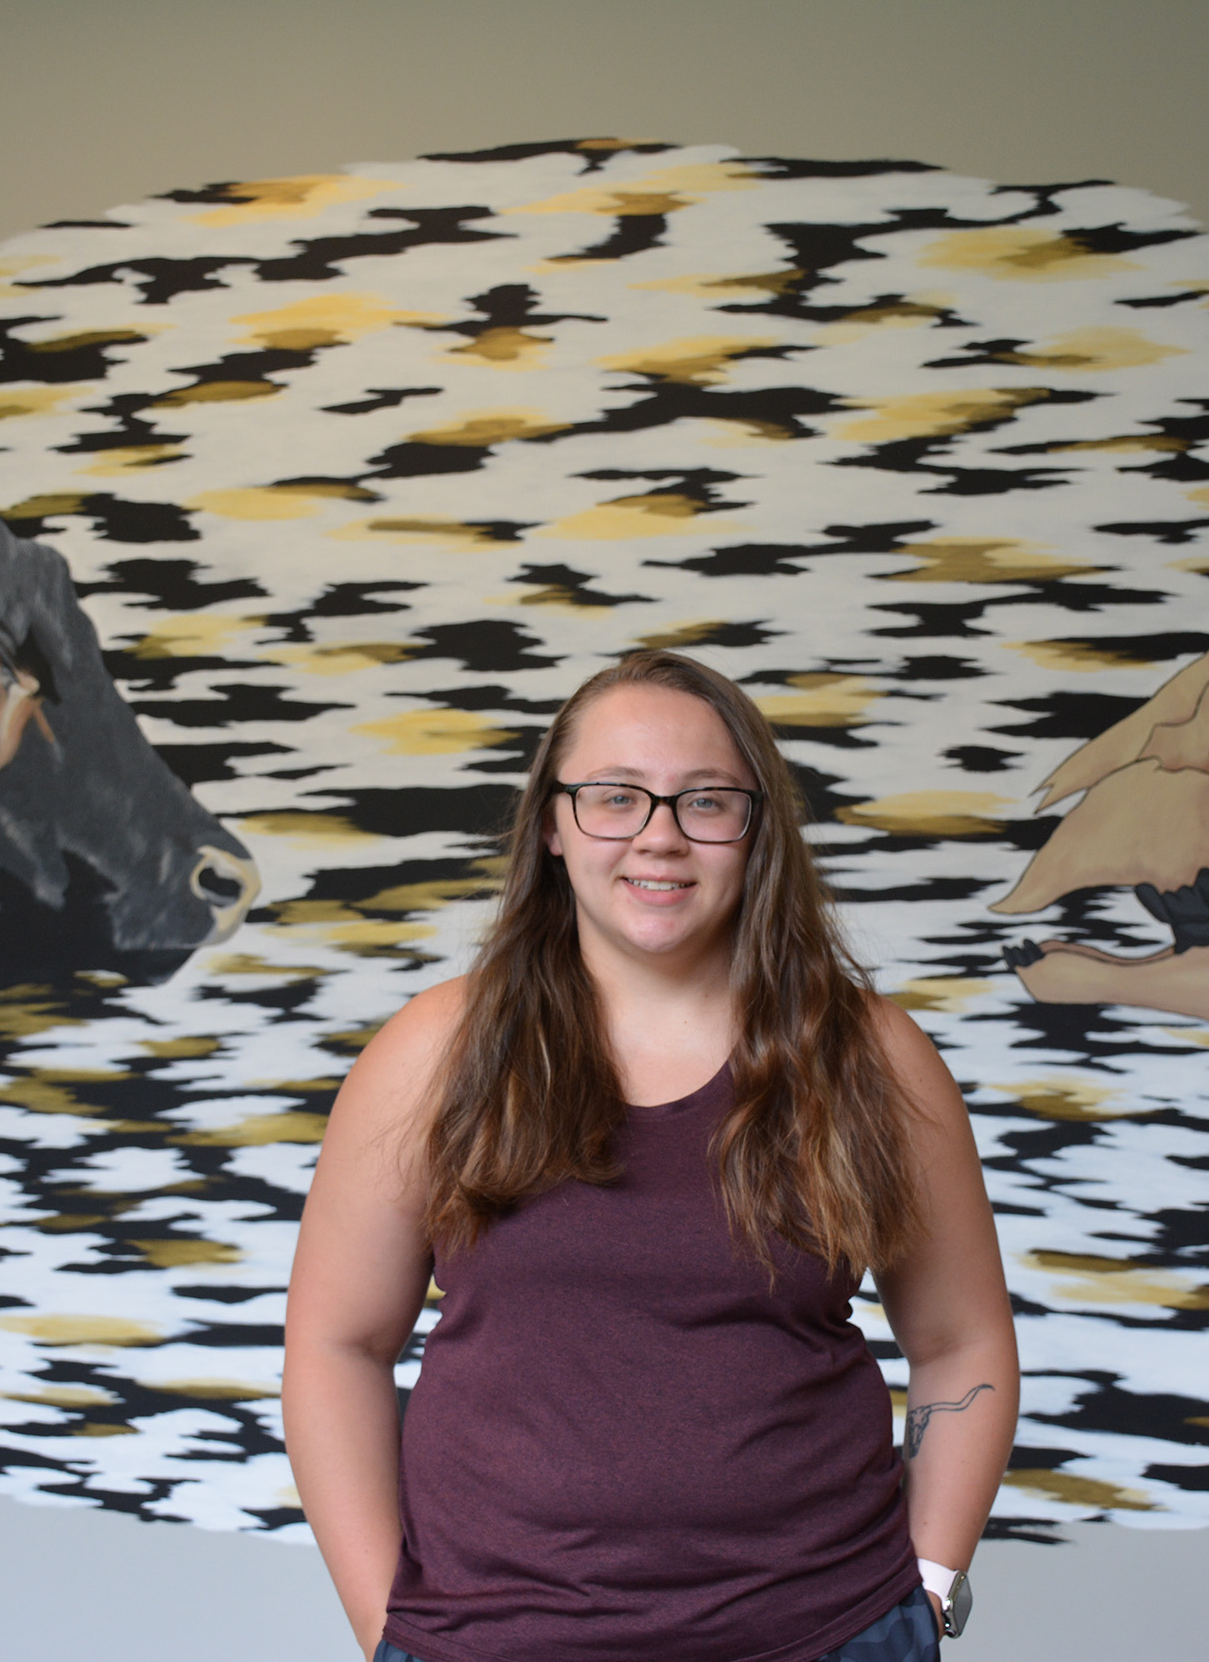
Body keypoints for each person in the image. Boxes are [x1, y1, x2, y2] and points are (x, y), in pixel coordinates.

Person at [283, 649, 1019, 1662]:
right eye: (614, 797)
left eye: (705, 801)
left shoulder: (867, 1054)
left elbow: (962, 1341)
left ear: (755, 827)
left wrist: (926, 1592)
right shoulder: (436, 1052)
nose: (659, 838)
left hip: (824, 1633)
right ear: (551, 821)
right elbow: (335, 1346)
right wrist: (387, 1625)